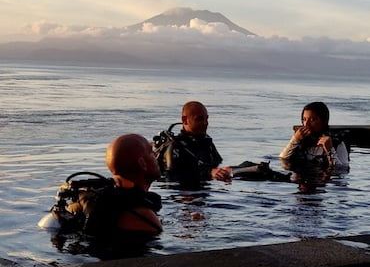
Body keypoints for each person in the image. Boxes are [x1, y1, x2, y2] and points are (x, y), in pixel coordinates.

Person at [153, 101, 290, 186]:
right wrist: (209, 173)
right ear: (185, 120)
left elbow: (217, 163)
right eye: (200, 119)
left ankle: (289, 179)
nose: (205, 123)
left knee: (254, 168)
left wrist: (222, 171)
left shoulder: (206, 142)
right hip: (192, 187)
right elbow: (173, 175)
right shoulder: (175, 146)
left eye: (206, 119)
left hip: (213, 183)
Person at [59, 134, 163, 236]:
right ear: (142, 164)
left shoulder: (90, 197)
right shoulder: (144, 218)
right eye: (151, 152)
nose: (156, 155)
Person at [279, 101, 349, 171]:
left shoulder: (337, 144)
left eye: (312, 120)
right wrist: (295, 139)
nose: (307, 124)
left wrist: (330, 150)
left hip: (324, 179)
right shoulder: (300, 142)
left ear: (323, 121)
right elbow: (282, 159)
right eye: (304, 119)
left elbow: (341, 170)